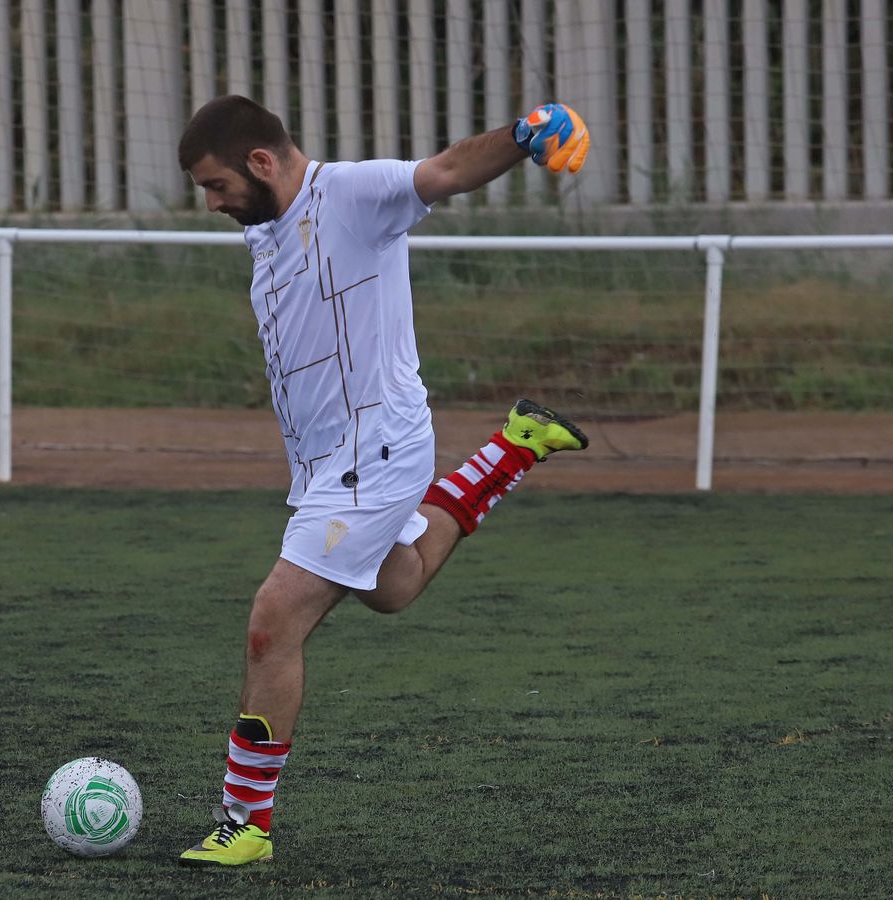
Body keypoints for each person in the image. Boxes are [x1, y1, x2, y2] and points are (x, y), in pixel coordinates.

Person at [174, 95, 593, 865]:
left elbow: (446, 170)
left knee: (275, 619)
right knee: (392, 587)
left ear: (260, 163)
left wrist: (526, 136)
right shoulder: (267, 229)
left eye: (215, 185)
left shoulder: (354, 195)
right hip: (326, 467)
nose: (212, 202)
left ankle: (245, 824)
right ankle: (514, 446)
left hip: (378, 454)